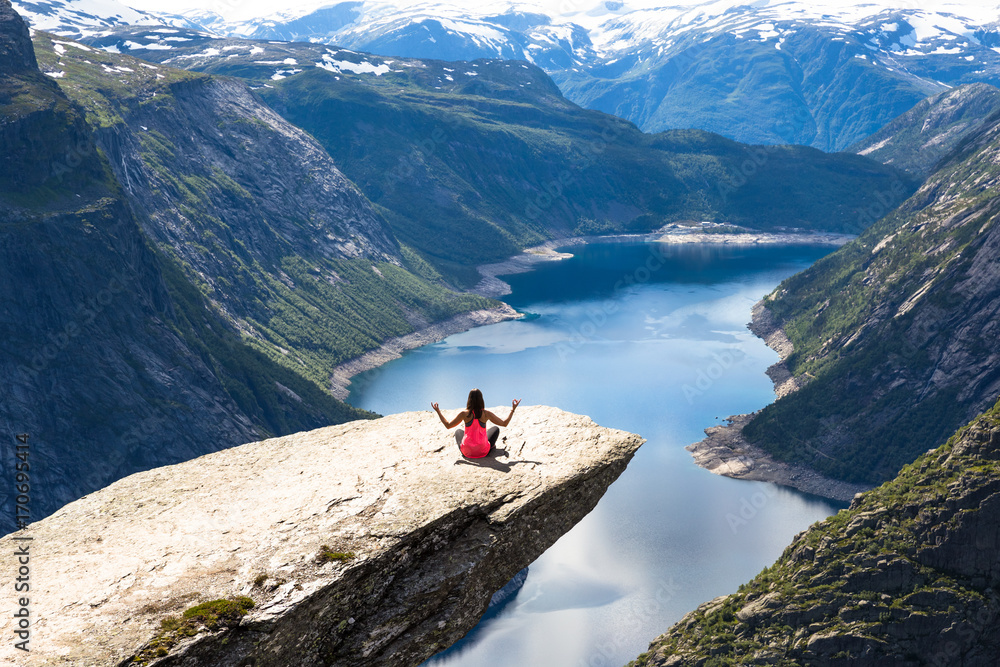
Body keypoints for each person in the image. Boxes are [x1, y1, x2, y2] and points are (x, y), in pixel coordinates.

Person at [432, 389, 521, 458]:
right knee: (495, 429)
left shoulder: (464, 414)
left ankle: (466, 449)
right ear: (481, 399)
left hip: (467, 451)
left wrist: (438, 411)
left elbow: (448, 425)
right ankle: (490, 447)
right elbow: (504, 423)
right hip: (483, 451)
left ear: (469, 399)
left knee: (458, 431)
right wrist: (513, 409)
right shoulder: (486, 413)